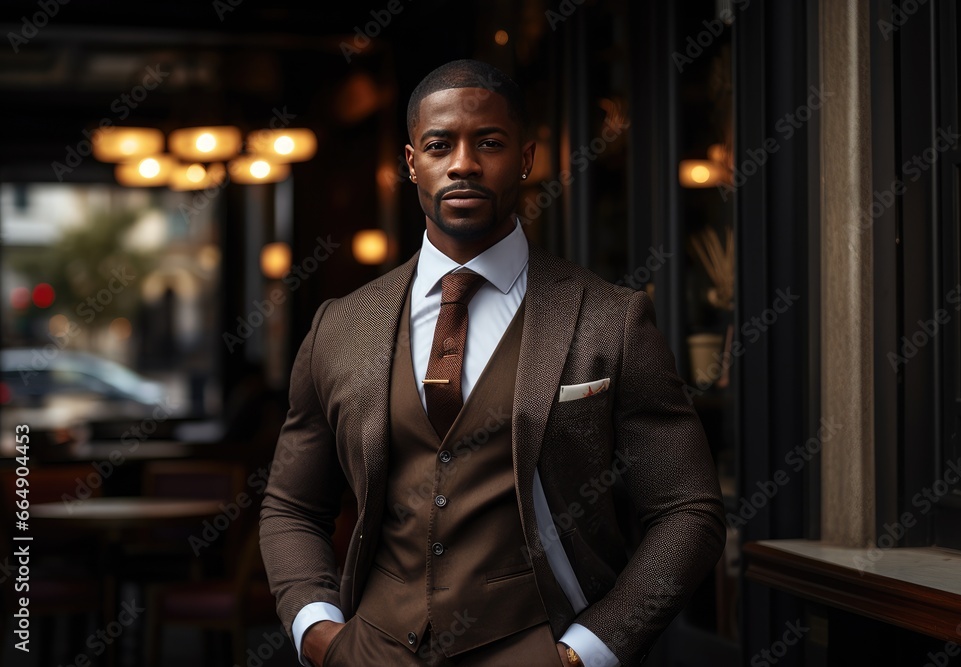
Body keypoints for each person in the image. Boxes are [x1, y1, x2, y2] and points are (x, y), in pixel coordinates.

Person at [259, 59, 726, 667]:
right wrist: (318, 632)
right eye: (438, 144)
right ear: (411, 163)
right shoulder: (341, 327)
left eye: (489, 143)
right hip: (373, 649)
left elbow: (689, 510)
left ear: (527, 158)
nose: (463, 163)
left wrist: (588, 651)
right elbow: (291, 506)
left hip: (534, 646)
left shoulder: (611, 320)